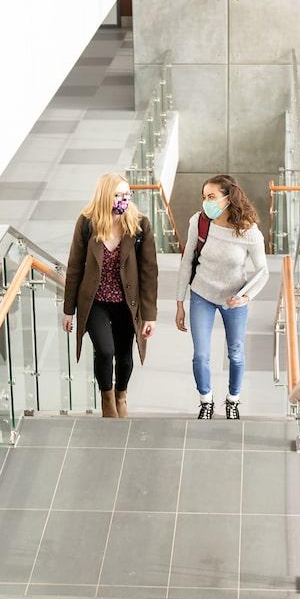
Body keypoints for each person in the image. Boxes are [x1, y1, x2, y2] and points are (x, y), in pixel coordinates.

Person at [63, 173, 159, 418]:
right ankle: (107, 398)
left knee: (125, 355)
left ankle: (121, 395)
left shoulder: (139, 224)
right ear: (105, 196)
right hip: (96, 301)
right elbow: (74, 266)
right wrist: (68, 310)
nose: (124, 199)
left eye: (127, 194)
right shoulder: (87, 223)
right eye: (118, 195)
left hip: (127, 303)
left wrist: (149, 315)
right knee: (105, 351)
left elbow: (149, 272)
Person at [175, 174, 268, 420]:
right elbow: (186, 262)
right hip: (201, 294)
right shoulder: (199, 221)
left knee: (236, 353)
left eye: (212, 197)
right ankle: (206, 400)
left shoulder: (248, 231)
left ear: (228, 198)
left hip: (233, 300)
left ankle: (233, 400)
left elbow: (263, 272)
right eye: (204, 197)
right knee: (201, 354)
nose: (206, 202)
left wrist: (246, 297)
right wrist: (179, 303)